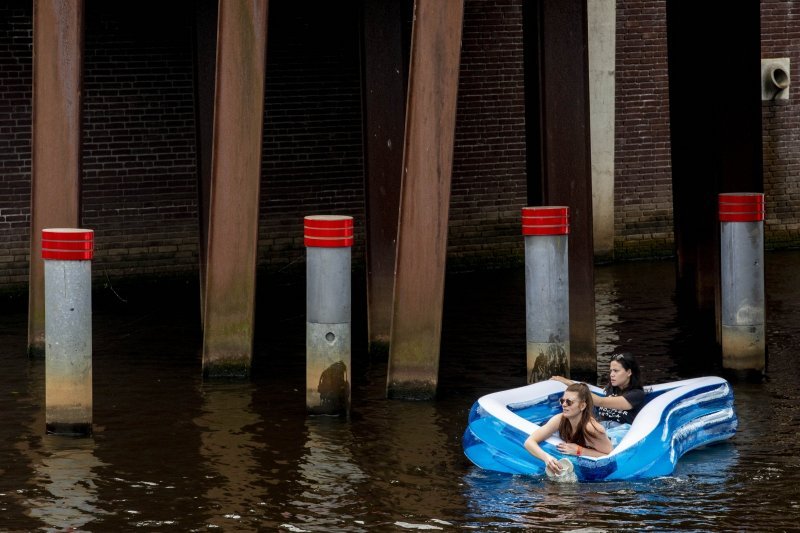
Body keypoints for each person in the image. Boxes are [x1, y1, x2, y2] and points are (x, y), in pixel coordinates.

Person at [523, 383, 612, 474]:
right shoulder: (560, 419)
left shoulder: (591, 429)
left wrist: (580, 451)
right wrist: (547, 458)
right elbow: (529, 442)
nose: (564, 405)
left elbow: (611, 456)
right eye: (562, 401)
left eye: (569, 402)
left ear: (582, 406)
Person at [551, 352, 645, 428]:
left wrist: (569, 383)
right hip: (600, 425)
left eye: (616, 371)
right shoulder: (610, 389)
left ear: (629, 372)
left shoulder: (636, 395)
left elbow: (600, 401)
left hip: (619, 430)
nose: (611, 374)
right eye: (611, 371)